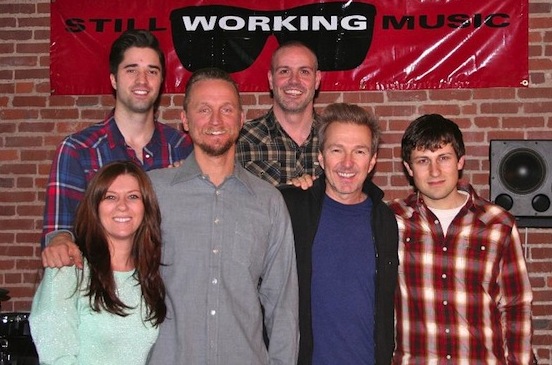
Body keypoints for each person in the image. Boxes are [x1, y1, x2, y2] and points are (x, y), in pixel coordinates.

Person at [42, 68, 299, 365]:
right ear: (185, 120)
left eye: (226, 109)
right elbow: (107, 256)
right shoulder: (151, 192)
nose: (216, 121)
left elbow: (282, 304)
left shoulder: (268, 202)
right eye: (204, 110)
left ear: (241, 119)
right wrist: (61, 239)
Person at [389, 114, 535, 364]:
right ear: (409, 168)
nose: (434, 171)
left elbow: (515, 306)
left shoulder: (498, 223)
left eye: (443, 158)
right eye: (423, 161)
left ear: (460, 161)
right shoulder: (391, 221)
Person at [41, 29, 193, 250]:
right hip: (101, 282)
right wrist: (60, 242)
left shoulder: (182, 148)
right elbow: (59, 232)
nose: (142, 80)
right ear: (113, 79)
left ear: (161, 81)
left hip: (166, 283)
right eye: (131, 70)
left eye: (152, 71)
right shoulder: (77, 150)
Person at [280, 103, 399, 365]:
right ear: (321, 157)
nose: (347, 163)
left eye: (359, 151)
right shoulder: (289, 209)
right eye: (337, 150)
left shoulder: (385, 220)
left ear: (373, 160)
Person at [30, 161, 166, 365]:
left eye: (133, 196)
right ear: (95, 207)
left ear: (146, 207)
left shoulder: (152, 276)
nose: (122, 206)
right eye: (110, 197)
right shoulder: (69, 269)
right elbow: (56, 357)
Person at [237, 40, 323, 186]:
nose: (294, 80)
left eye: (304, 72)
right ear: (271, 80)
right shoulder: (240, 141)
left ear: (317, 80)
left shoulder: (336, 139)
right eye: (284, 71)